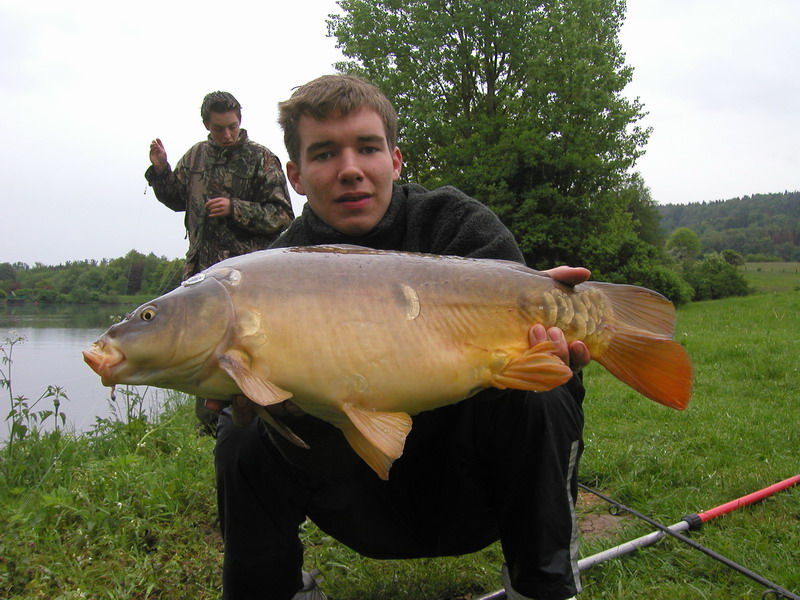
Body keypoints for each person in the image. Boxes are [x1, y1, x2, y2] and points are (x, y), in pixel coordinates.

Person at [213, 75, 590, 600]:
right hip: (358, 496)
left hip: (470, 487)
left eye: (367, 148)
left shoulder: (458, 227)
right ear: (296, 176)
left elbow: (530, 347)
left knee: (546, 389)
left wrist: (551, 338)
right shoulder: (271, 271)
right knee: (239, 432)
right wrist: (256, 400)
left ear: (394, 160)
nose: (350, 170)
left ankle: (544, 586)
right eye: (324, 154)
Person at [145, 91, 294, 432]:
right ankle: (210, 428)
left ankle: (264, 422)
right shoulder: (196, 156)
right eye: (218, 129)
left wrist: (234, 207)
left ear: (240, 120)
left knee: (249, 352)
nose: (227, 135)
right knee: (205, 352)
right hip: (202, 278)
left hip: (250, 284)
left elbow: (283, 217)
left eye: (232, 126)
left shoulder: (261, 159)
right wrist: (160, 170)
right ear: (206, 126)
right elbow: (174, 197)